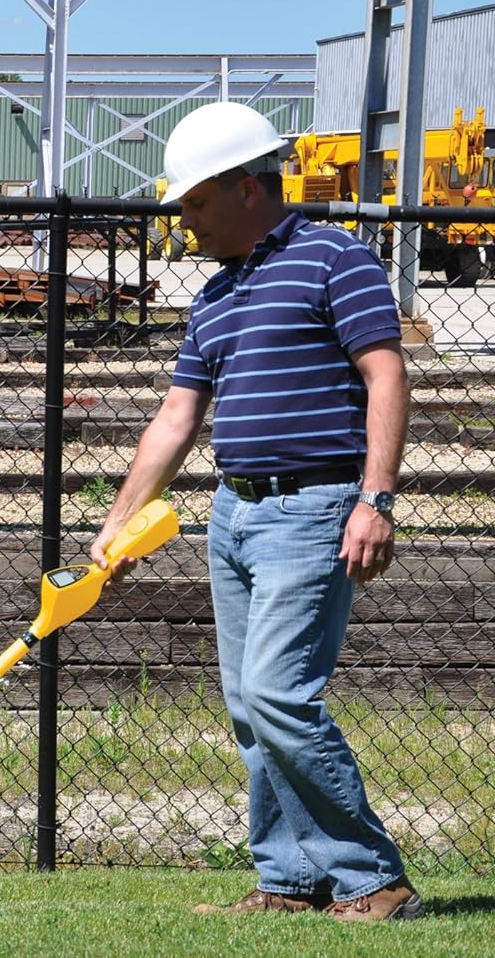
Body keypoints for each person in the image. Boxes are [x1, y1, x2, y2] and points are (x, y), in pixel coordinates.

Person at [90, 102, 419, 921]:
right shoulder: (215, 295)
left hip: (314, 509)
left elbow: (387, 376)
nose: (184, 219)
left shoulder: (334, 260)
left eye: (195, 202)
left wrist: (375, 500)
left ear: (246, 187)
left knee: (278, 694)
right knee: (249, 708)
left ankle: (374, 878)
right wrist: (119, 519)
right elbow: (175, 418)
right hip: (234, 515)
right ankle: (287, 880)